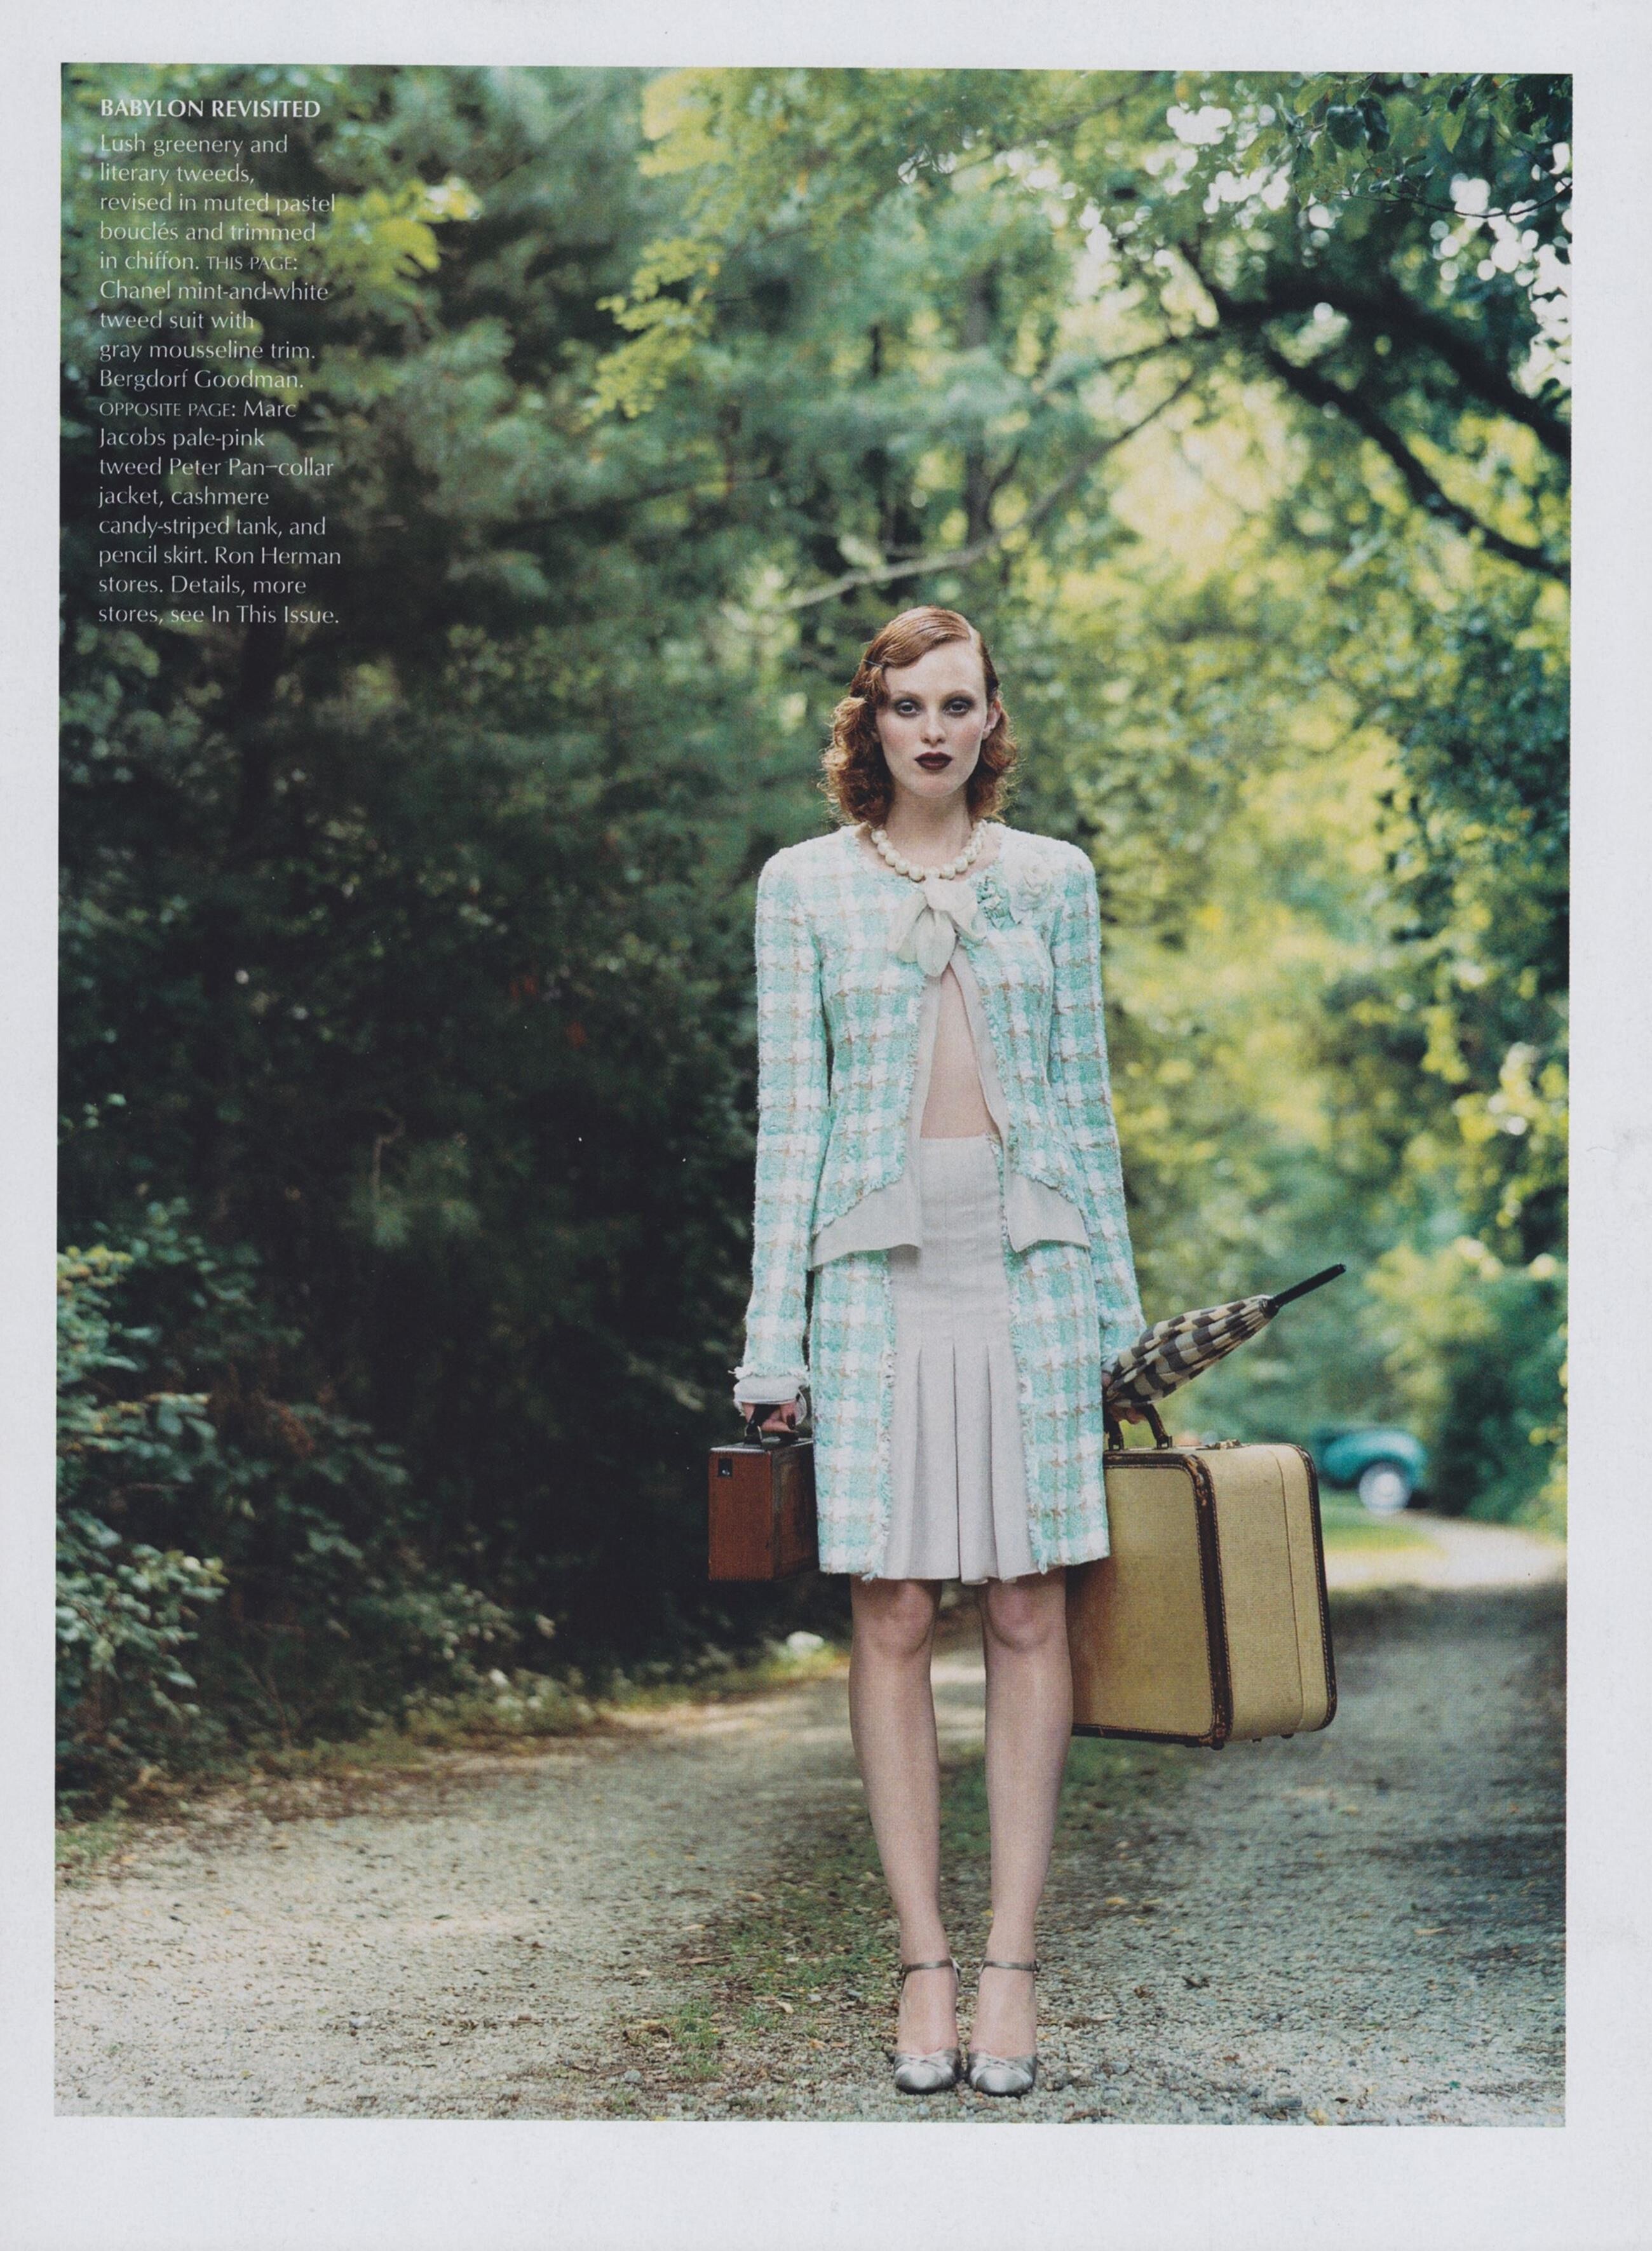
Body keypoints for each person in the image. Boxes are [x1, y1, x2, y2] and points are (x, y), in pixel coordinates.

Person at [732, 606, 1142, 2097]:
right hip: (874, 1277)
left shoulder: (1051, 879)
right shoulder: (804, 886)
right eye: (906, 704)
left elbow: (1085, 1109)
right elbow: (792, 1122)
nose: (932, 728)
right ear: (870, 721)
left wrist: (1121, 1323)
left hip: (1032, 1269)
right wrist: (769, 1336)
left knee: (1029, 1605)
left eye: (957, 703)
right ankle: (922, 1960)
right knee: (894, 1605)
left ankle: (1012, 1966)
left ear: (989, 722)